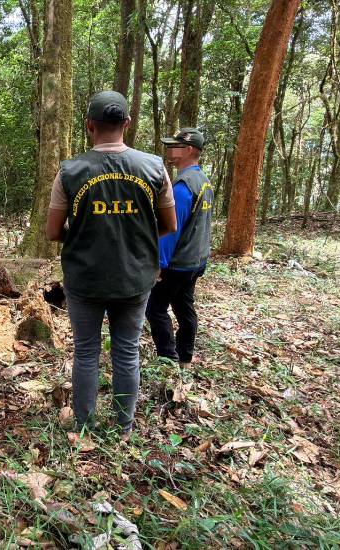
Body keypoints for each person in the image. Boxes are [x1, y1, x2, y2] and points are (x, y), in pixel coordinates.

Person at [46, 91, 177, 436]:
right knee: (126, 351)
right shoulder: (154, 168)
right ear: (126, 124)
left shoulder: (70, 171)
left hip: (85, 278)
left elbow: (52, 231)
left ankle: (84, 426)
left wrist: (87, 234)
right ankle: (123, 426)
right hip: (135, 278)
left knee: (86, 352)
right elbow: (168, 225)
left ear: (90, 125)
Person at [145, 128, 214, 368]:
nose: (169, 150)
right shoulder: (203, 181)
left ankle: (169, 359)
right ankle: (185, 357)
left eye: (174, 146)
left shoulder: (184, 187)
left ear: (189, 150)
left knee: (155, 309)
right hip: (196, 261)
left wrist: (159, 264)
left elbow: (171, 229)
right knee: (184, 307)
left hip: (179, 263)